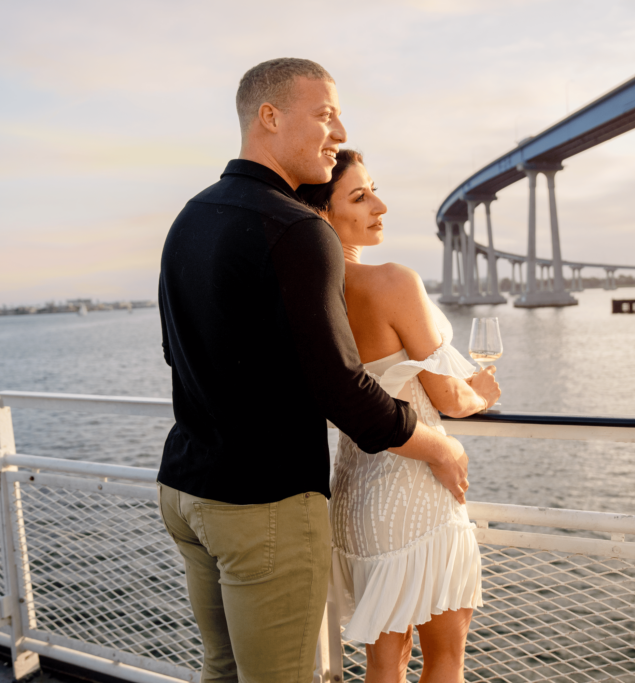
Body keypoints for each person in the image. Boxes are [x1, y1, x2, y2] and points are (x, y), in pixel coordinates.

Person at [156, 58, 470, 683]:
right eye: (325, 114)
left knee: (222, 672)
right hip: (262, 500)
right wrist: (437, 446)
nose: (338, 129)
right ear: (268, 118)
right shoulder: (298, 229)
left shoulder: (191, 215)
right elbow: (340, 385)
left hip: (186, 490)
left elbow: (177, 353)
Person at [297, 150, 501, 683]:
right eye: (360, 197)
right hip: (416, 492)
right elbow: (448, 399)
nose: (380, 206)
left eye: (375, 191)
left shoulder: (308, 296)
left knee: (386, 663)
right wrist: (482, 393)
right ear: (322, 213)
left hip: (354, 495)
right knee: (445, 660)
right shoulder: (392, 281)